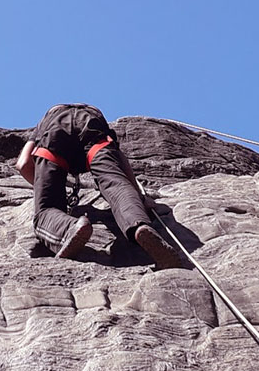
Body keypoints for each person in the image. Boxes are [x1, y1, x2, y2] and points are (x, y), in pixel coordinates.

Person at [16, 103, 182, 270]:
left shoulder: (42, 125)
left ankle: (70, 229)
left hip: (54, 129)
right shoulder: (91, 116)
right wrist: (140, 196)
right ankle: (139, 225)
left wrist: (47, 190)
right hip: (91, 123)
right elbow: (119, 161)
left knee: (46, 210)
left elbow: (23, 164)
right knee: (117, 188)